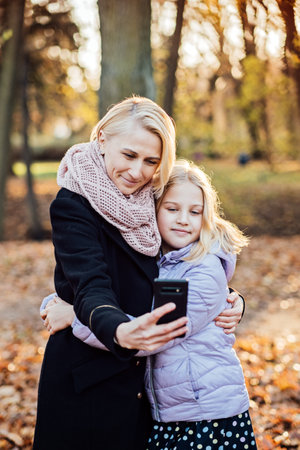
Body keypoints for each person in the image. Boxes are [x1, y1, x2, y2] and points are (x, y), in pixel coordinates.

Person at [34, 96, 245, 450]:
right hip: (89, 382)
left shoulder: (155, 198)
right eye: (129, 155)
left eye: (151, 161)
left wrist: (232, 298)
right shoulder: (73, 206)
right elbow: (90, 286)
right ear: (102, 138)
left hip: (145, 392)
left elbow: (185, 263)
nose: (137, 172)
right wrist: (113, 327)